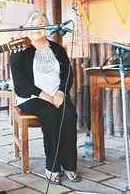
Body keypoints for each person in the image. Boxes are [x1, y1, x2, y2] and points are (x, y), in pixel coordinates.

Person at [9, 10, 80, 184]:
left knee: (69, 115)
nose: (37, 28)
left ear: (47, 28)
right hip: (31, 97)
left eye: (41, 24)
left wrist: (61, 92)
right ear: (27, 29)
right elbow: (21, 84)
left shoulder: (57, 49)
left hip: (57, 94)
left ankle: (69, 164)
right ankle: (53, 166)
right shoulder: (20, 50)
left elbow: (67, 74)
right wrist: (47, 97)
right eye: (33, 25)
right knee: (50, 113)